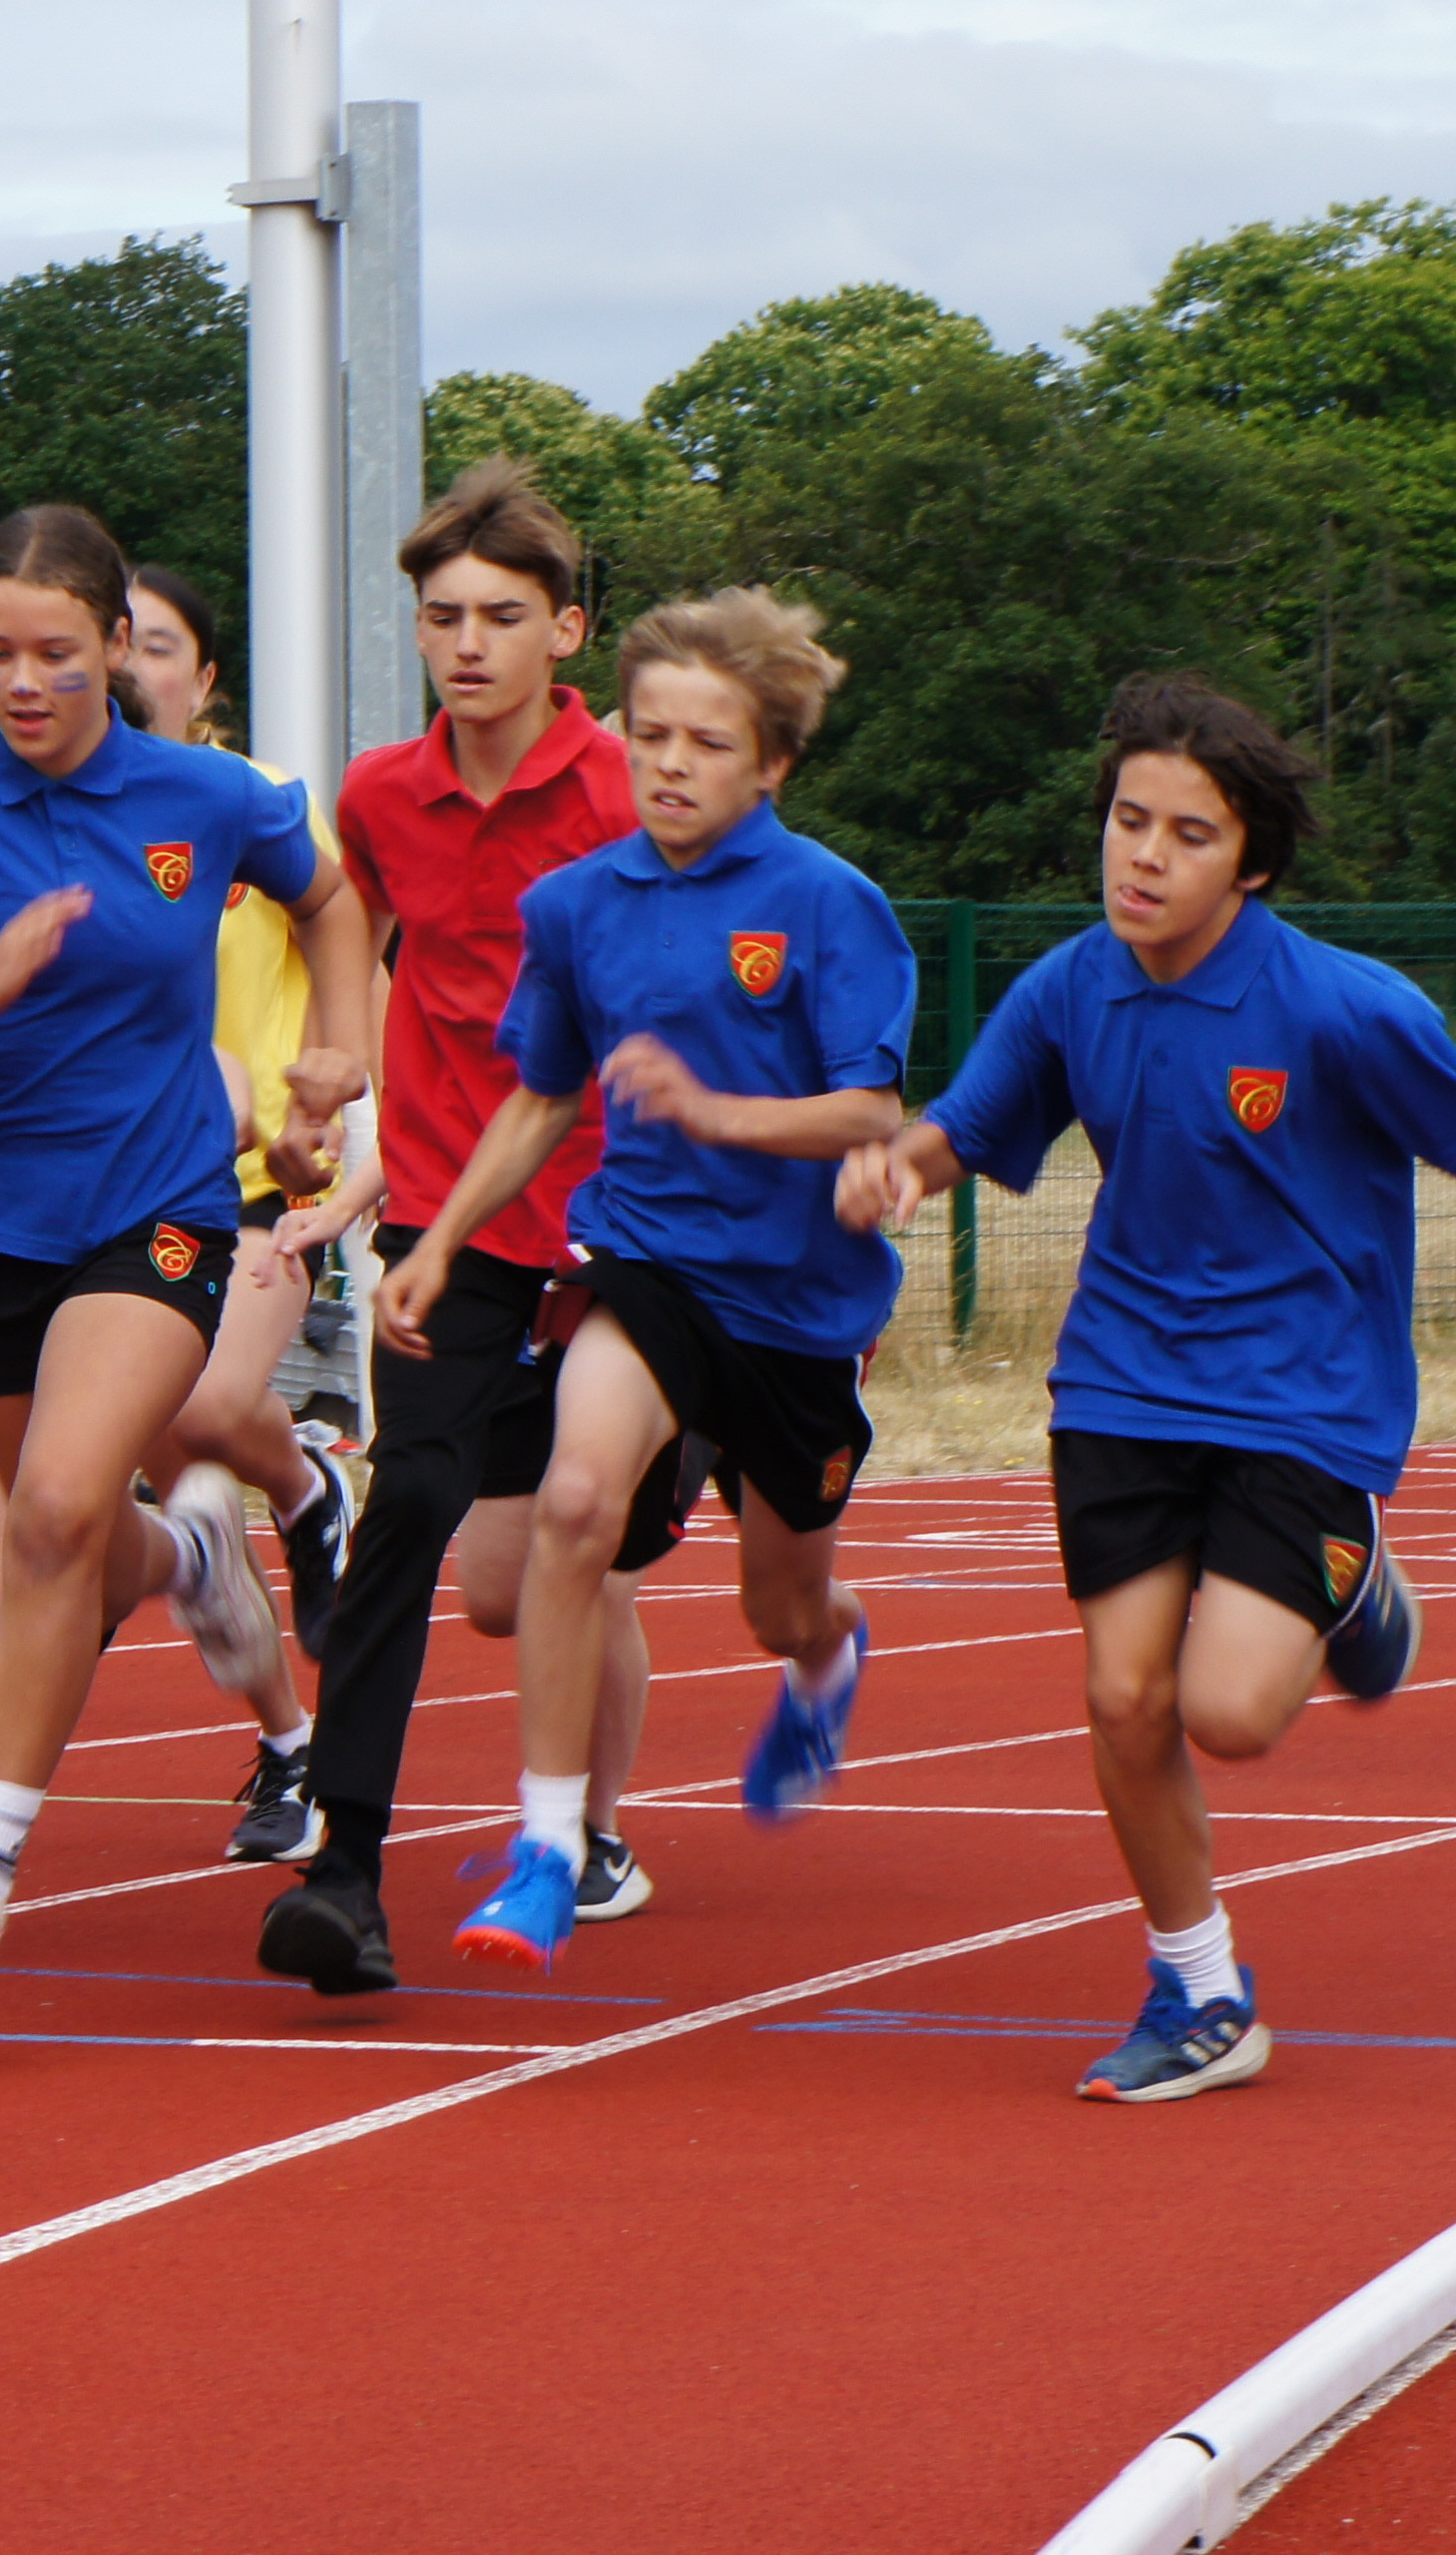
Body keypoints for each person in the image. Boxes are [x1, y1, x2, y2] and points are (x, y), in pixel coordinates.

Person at [847, 675, 1456, 2099]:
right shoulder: (1071, 985)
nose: (1143, 855)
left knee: (1233, 1713)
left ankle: (1358, 1583)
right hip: (1123, 1383)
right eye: (1129, 821)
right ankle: (1202, 1989)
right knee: (1125, 1700)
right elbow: (970, 1125)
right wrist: (898, 1169)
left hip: (1302, 1393)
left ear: (1247, 862)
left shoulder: (1336, 1005)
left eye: (1187, 834)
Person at [0, 506, 372, 1999]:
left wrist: (334, 1062)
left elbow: (331, 899)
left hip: (163, 1205)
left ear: (115, 646)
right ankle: (194, 1550)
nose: (22, 681)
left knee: (58, 1507)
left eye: (55, 654)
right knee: (75, 1536)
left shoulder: (202, 798)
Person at [418, 591, 911, 1975]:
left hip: (800, 1305)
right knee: (574, 1501)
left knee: (778, 1604)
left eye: (707, 742)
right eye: (650, 737)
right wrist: (445, 1237)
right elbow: (539, 1096)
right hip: (643, 1264)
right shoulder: (574, 907)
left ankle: (829, 1655)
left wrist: (714, 1111)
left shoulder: (827, 904)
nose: (672, 765)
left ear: (773, 764)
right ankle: (549, 1848)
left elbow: (869, 1113)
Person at [254, 462, 651, 2000]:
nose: (468, 643)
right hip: (446, 1211)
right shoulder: (377, 793)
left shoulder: (634, 788)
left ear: (567, 630)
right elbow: (355, 934)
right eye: (441, 618)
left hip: (629, 1225)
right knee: (414, 1514)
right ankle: (345, 1872)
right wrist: (338, 1068)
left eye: (500, 616)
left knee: (573, 1564)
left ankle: (605, 1814)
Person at [119, 563, 366, 1847]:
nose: (133, 665)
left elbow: (344, 928)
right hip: (118, 1194)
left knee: (215, 1410)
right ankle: (285, 1744)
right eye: (119, 642)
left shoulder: (250, 805)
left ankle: (312, 1480)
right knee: (196, 1512)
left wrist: (323, 1090)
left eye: (158, 647)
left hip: (259, 1183)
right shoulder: (70, 816)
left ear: (203, 678)